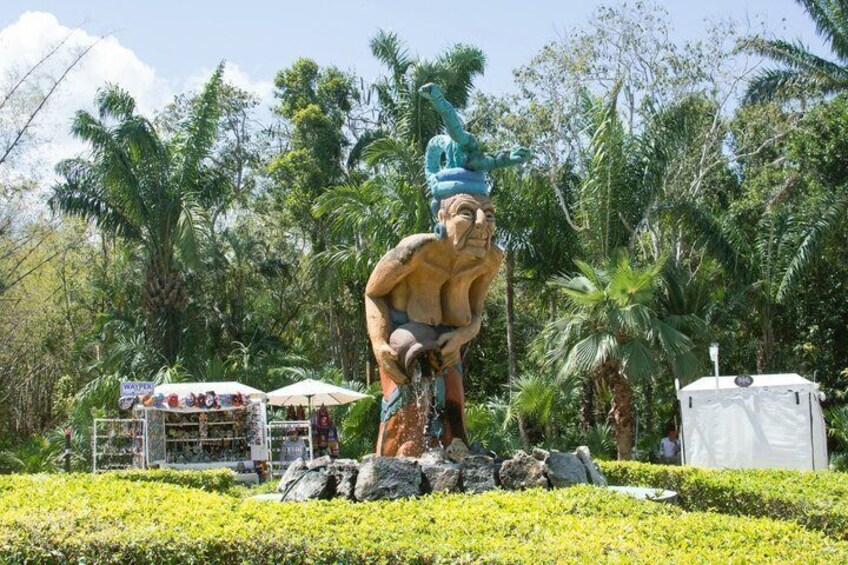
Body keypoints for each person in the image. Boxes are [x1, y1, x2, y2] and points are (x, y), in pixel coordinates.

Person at [365, 84, 530, 458]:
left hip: (447, 346)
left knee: (455, 421)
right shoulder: (416, 251)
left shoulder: (489, 258)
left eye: (489, 214)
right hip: (404, 343)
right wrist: (379, 344)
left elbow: (476, 314)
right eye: (467, 213)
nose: (482, 224)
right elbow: (374, 292)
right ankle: (386, 474)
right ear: (441, 216)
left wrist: (461, 337)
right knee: (404, 430)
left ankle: (455, 469)